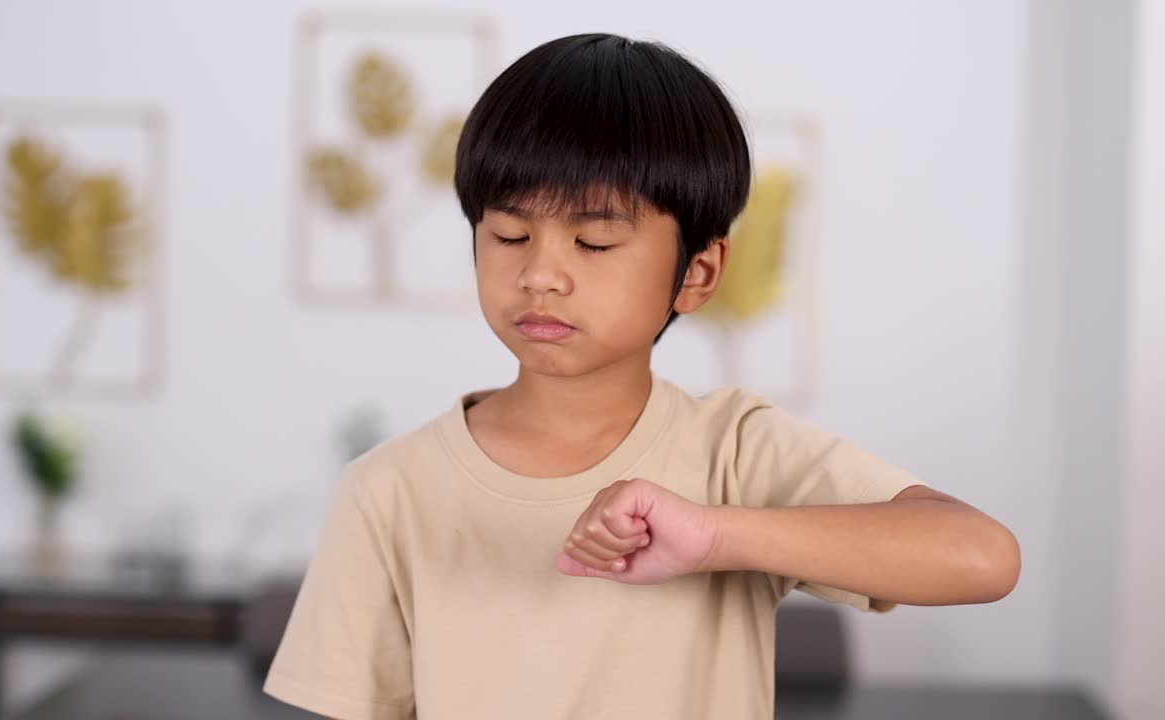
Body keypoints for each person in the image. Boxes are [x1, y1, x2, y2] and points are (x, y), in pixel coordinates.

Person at [263, 32, 1020, 719]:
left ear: (697, 273)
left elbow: (983, 557)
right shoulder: (388, 490)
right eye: (509, 233)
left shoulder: (736, 454)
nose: (539, 274)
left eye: (593, 242)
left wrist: (716, 537)